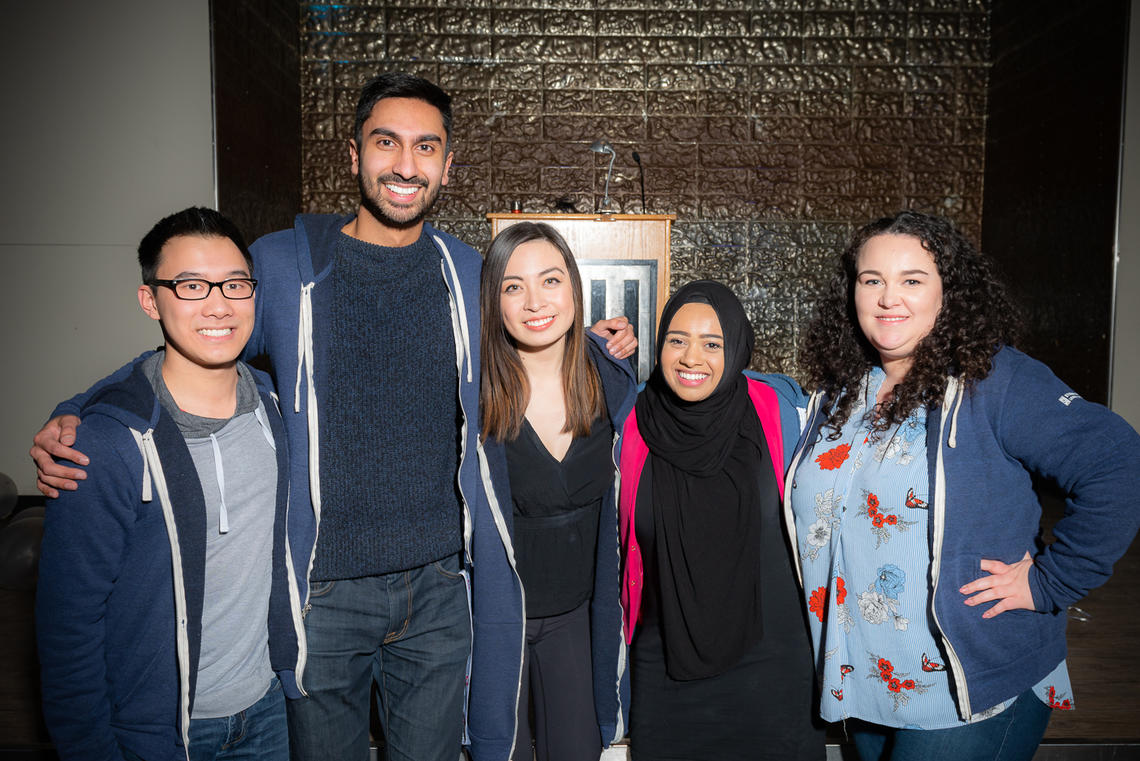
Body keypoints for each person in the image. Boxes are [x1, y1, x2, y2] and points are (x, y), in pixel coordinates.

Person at [30, 73, 633, 761]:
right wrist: (77, 408)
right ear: (354, 155)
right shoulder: (284, 267)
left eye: (426, 147)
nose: (406, 164)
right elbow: (199, 336)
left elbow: (538, 322)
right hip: (320, 595)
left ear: (446, 166)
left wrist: (607, 343)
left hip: (438, 590)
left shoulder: (467, 274)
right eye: (387, 143)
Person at [786, 210, 1140, 761]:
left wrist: (1051, 580)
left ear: (949, 293)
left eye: (912, 280)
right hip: (865, 683)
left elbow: (1118, 463)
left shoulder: (994, 380)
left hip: (967, 690)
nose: (888, 298)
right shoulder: (843, 395)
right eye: (871, 280)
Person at [36, 207, 302, 761]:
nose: (218, 304)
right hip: (159, 730)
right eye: (190, 285)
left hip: (267, 710)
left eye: (234, 283)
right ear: (150, 300)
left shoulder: (276, 407)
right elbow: (69, 630)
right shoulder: (103, 447)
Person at [618, 281, 826, 761]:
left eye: (713, 343)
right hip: (664, 666)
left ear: (736, 348)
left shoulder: (785, 414)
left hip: (775, 669)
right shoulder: (631, 421)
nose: (692, 358)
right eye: (677, 340)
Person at [478, 223, 637, 761]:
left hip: (576, 617)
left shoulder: (612, 378)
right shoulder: (469, 391)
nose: (535, 301)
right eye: (513, 286)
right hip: (491, 621)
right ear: (492, 298)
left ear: (574, 287)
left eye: (550, 280)